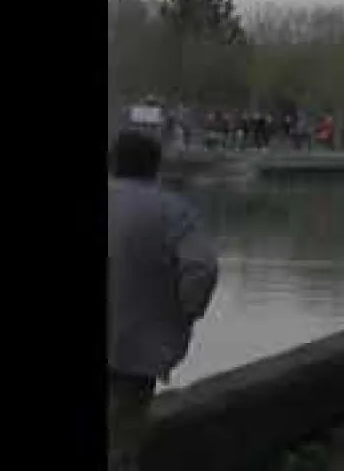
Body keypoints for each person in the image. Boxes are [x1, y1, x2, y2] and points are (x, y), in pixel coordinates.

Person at [108, 130, 218, 471]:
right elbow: (202, 268)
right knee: (122, 438)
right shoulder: (173, 211)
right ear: (156, 167)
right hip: (138, 345)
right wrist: (182, 314)